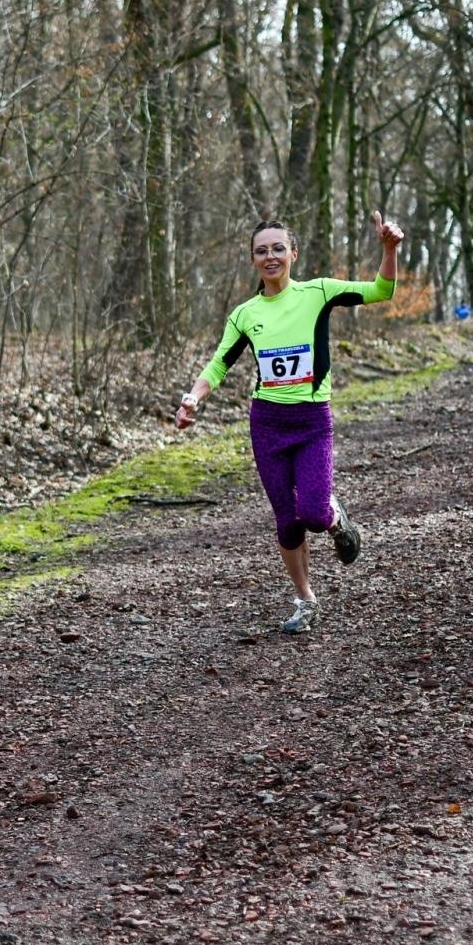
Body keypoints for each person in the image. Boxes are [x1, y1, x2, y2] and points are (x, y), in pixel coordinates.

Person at [173, 212, 404, 635]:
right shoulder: (245, 314)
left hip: (312, 420)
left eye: (278, 248)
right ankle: (305, 599)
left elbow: (381, 290)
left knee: (313, 511)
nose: (271, 256)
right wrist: (193, 397)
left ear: (293, 253)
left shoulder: (318, 292)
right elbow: (220, 363)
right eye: (261, 251)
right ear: (253, 261)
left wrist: (388, 250)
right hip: (268, 423)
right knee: (287, 519)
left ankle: (337, 519)